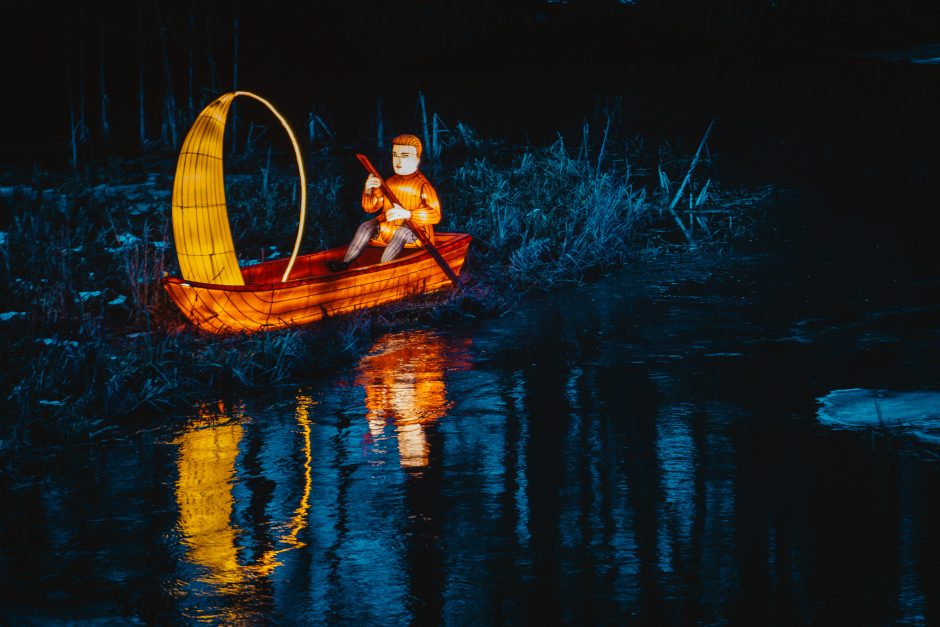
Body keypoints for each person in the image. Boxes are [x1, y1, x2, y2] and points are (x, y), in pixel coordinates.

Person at [327, 134, 441, 272]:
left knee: (402, 233)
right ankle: (344, 264)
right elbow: (371, 207)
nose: (398, 161)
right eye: (395, 155)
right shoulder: (389, 182)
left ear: (417, 159)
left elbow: (435, 214)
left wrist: (407, 214)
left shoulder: (423, 185)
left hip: (415, 233)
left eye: (404, 156)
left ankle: (382, 270)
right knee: (366, 226)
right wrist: (368, 190)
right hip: (387, 230)